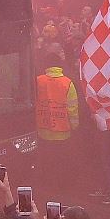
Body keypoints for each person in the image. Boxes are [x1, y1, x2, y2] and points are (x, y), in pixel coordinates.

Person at [35, 54, 79, 183]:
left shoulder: (38, 80)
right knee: (61, 160)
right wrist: (75, 126)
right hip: (63, 131)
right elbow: (73, 108)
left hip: (42, 129)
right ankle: (61, 183)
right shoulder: (68, 83)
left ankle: (47, 181)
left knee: (46, 159)